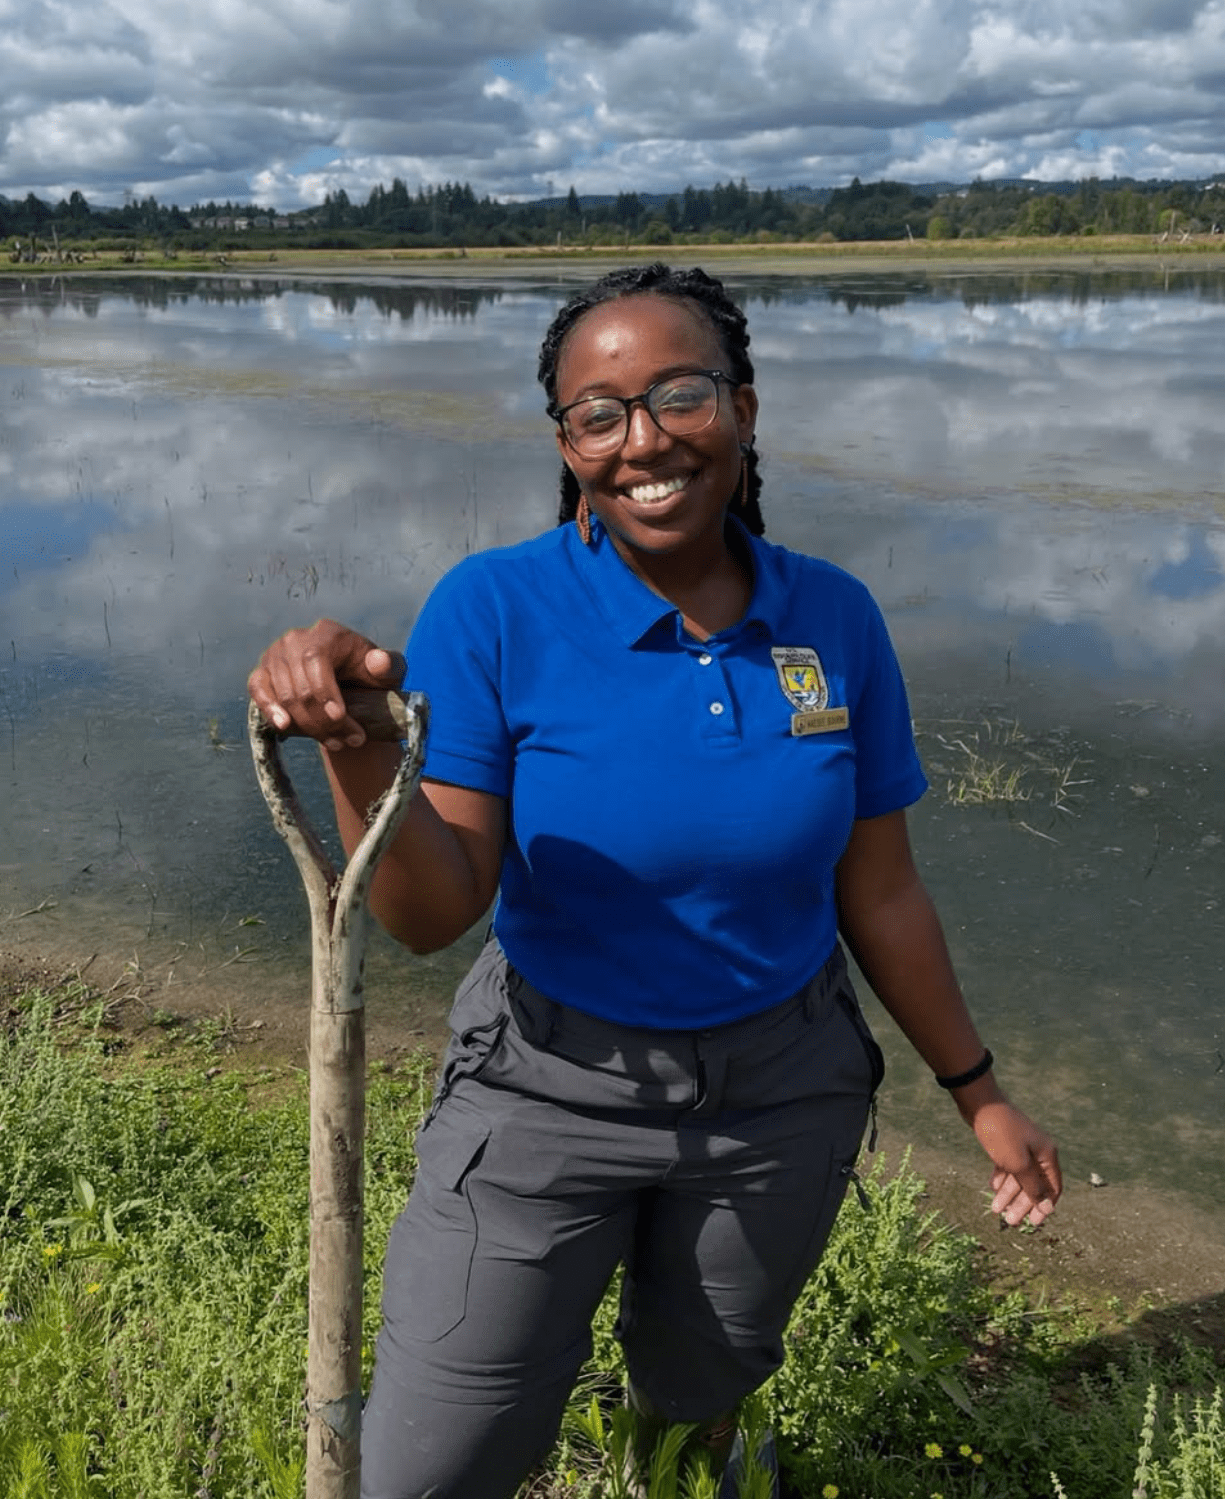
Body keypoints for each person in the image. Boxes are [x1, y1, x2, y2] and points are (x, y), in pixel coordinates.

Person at [248, 263, 1062, 1499]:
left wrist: (978, 1089)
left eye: (678, 394)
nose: (643, 441)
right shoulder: (497, 607)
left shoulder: (831, 620)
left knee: (698, 1403)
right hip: (545, 1084)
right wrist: (360, 743)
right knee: (427, 1466)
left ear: (743, 405)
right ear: (567, 440)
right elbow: (427, 911)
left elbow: (881, 890)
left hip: (780, 1095)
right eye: (598, 412)